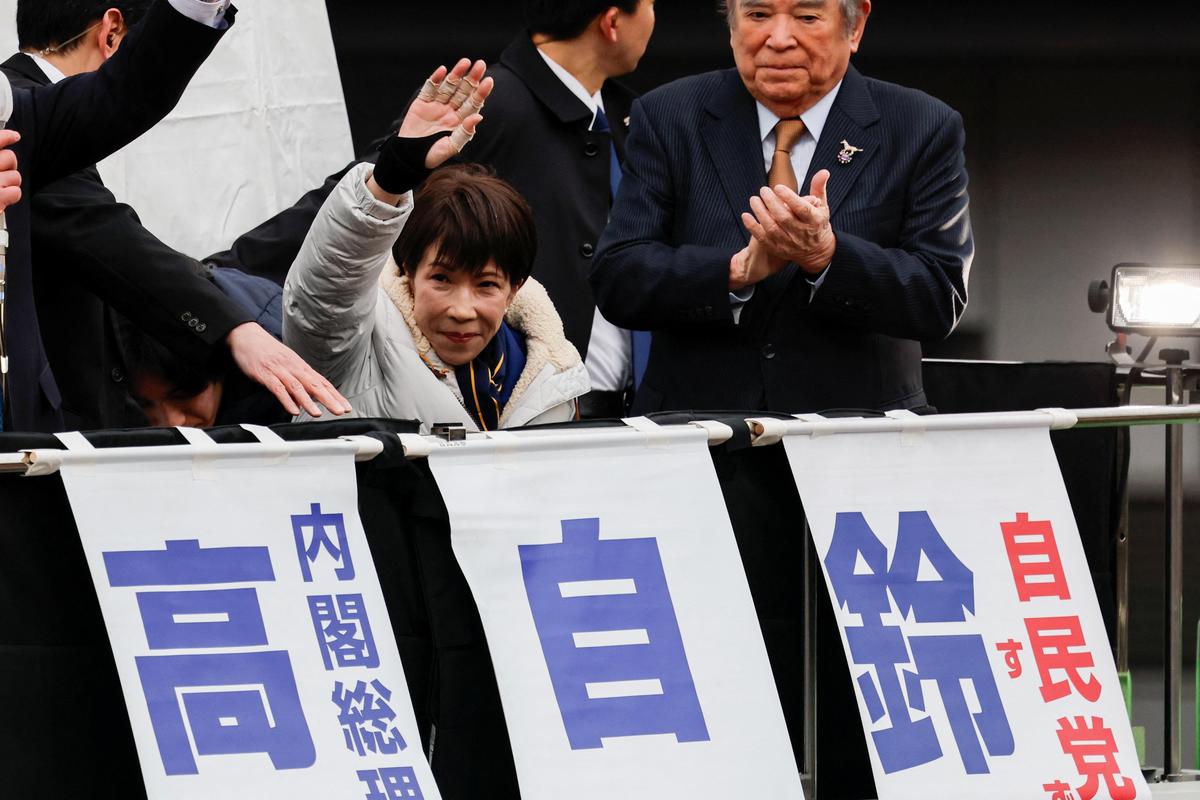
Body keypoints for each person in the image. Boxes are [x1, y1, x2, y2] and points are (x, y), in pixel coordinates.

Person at [590, 0, 973, 414]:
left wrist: (826, 256)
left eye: (807, 18)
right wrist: (733, 272)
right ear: (732, 25)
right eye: (758, 16)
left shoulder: (921, 126)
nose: (779, 39)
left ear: (856, 25)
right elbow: (618, 278)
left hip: (859, 432)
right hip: (699, 430)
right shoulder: (668, 115)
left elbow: (940, 296)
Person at [1, 0, 350, 431]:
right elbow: (107, 235)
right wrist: (235, 329)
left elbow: (133, 93)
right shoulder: (14, 115)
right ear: (112, 32)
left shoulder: (30, 108)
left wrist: (389, 170)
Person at [284, 61, 589, 433]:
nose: (461, 310)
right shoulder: (356, 344)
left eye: (486, 284)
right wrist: (394, 172)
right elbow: (325, 295)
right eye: (442, 279)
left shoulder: (553, 376)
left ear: (515, 289)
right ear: (409, 272)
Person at [460, 0, 655, 417]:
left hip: (633, 413)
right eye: (652, 4)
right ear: (613, 22)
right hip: (524, 412)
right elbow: (372, 190)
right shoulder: (490, 101)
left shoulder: (632, 114)